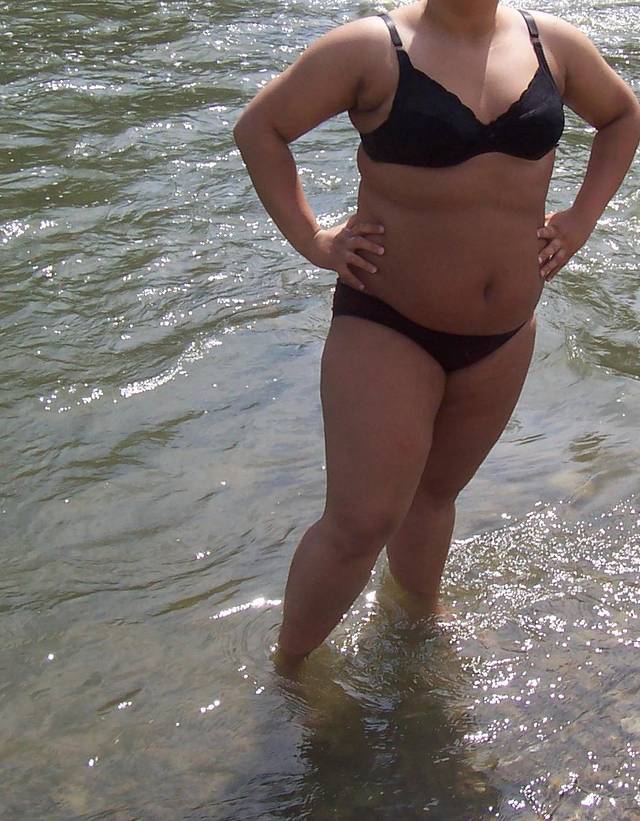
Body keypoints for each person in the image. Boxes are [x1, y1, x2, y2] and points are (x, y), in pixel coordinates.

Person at [233, 0, 640, 661]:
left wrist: (581, 219)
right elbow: (260, 128)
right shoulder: (371, 48)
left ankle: (417, 620)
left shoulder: (553, 45)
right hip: (390, 323)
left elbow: (622, 116)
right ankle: (291, 672)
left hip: (503, 334)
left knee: (434, 497)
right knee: (361, 521)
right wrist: (313, 238)